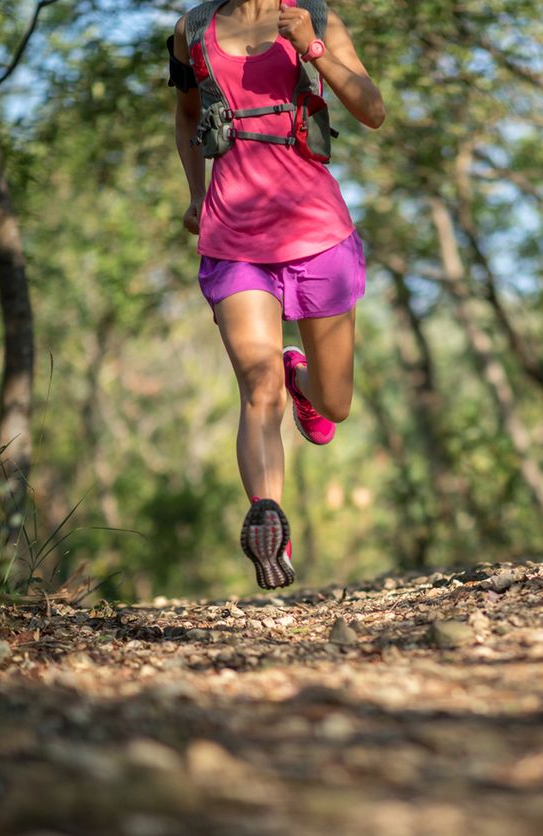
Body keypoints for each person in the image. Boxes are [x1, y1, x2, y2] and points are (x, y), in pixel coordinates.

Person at [169, 0, 385, 589]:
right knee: (258, 386)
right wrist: (195, 192)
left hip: (318, 233)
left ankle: (304, 380)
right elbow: (189, 117)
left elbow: (373, 110)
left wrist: (313, 46)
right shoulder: (190, 31)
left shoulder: (316, 15)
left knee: (336, 402)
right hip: (233, 236)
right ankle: (269, 518)